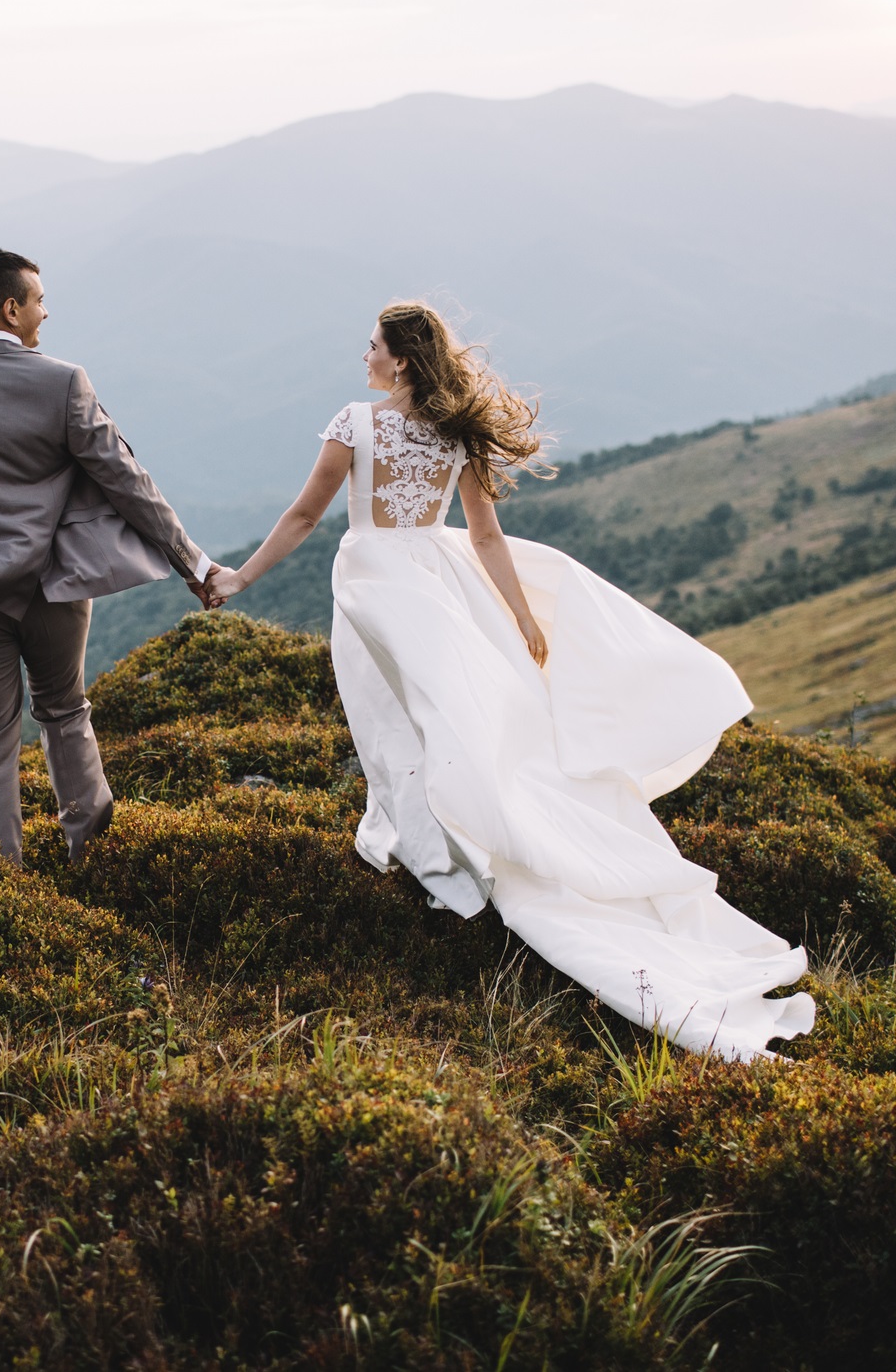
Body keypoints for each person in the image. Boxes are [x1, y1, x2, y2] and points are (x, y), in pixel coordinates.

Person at [212, 302, 814, 1060]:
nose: (362, 355)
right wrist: (520, 618)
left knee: (397, 721)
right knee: (447, 719)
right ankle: (446, 852)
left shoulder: (353, 424)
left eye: (371, 345)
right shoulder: (455, 430)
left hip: (373, 582)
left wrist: (239, 578)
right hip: (435, 579)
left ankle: (443, 867)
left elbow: (304, 516)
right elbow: (486, 534)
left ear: (398, 359)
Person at [0, 249, 224, 865]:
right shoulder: (63, 381)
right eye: (39, 300)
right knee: (65, 712)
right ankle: (90, 859)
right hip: (54, 589)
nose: (47, 310)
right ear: (12, 309)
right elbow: (128, 480)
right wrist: (193, 564)